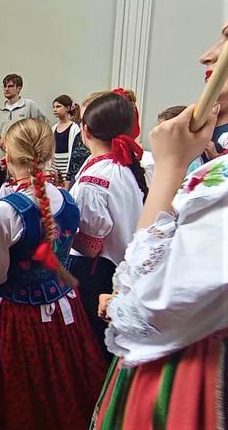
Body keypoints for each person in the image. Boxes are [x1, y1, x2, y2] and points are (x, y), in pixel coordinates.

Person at [92, 23, 228, 430]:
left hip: (190, 384)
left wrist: (171, 167)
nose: (208, 55)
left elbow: (142, 304)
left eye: (227, 39)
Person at [0, 118, 106, 430]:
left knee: (22, 384)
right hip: (63, 307)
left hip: (17, 314)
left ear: (8, 158)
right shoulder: (68, 198)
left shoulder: (0, 212)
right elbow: (83, 243)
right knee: (64, 377)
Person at [66, 92, 148, 360]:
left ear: (85, 131)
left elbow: (90, 246)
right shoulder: (122, 163)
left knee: (93, 341)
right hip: (124, 260)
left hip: (98, 270)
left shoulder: (93, 180)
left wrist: (56, 228)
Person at [0, 73, 47, 192]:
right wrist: (1, 143)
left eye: (10, 86)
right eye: (4, 87)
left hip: (23, 158)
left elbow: (43, 126)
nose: (6, 89)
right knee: (0, 190)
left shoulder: (29, 105)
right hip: (1, 158)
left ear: (19, 88)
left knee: (22, 190)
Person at [51, 94, 81, 186]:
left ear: (67, 108)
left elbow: (74, 150)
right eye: (54, 107)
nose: (55, 109)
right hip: (56, 164)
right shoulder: (54, 128)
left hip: (67, 163)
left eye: (58, 106)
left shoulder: (74, 128)